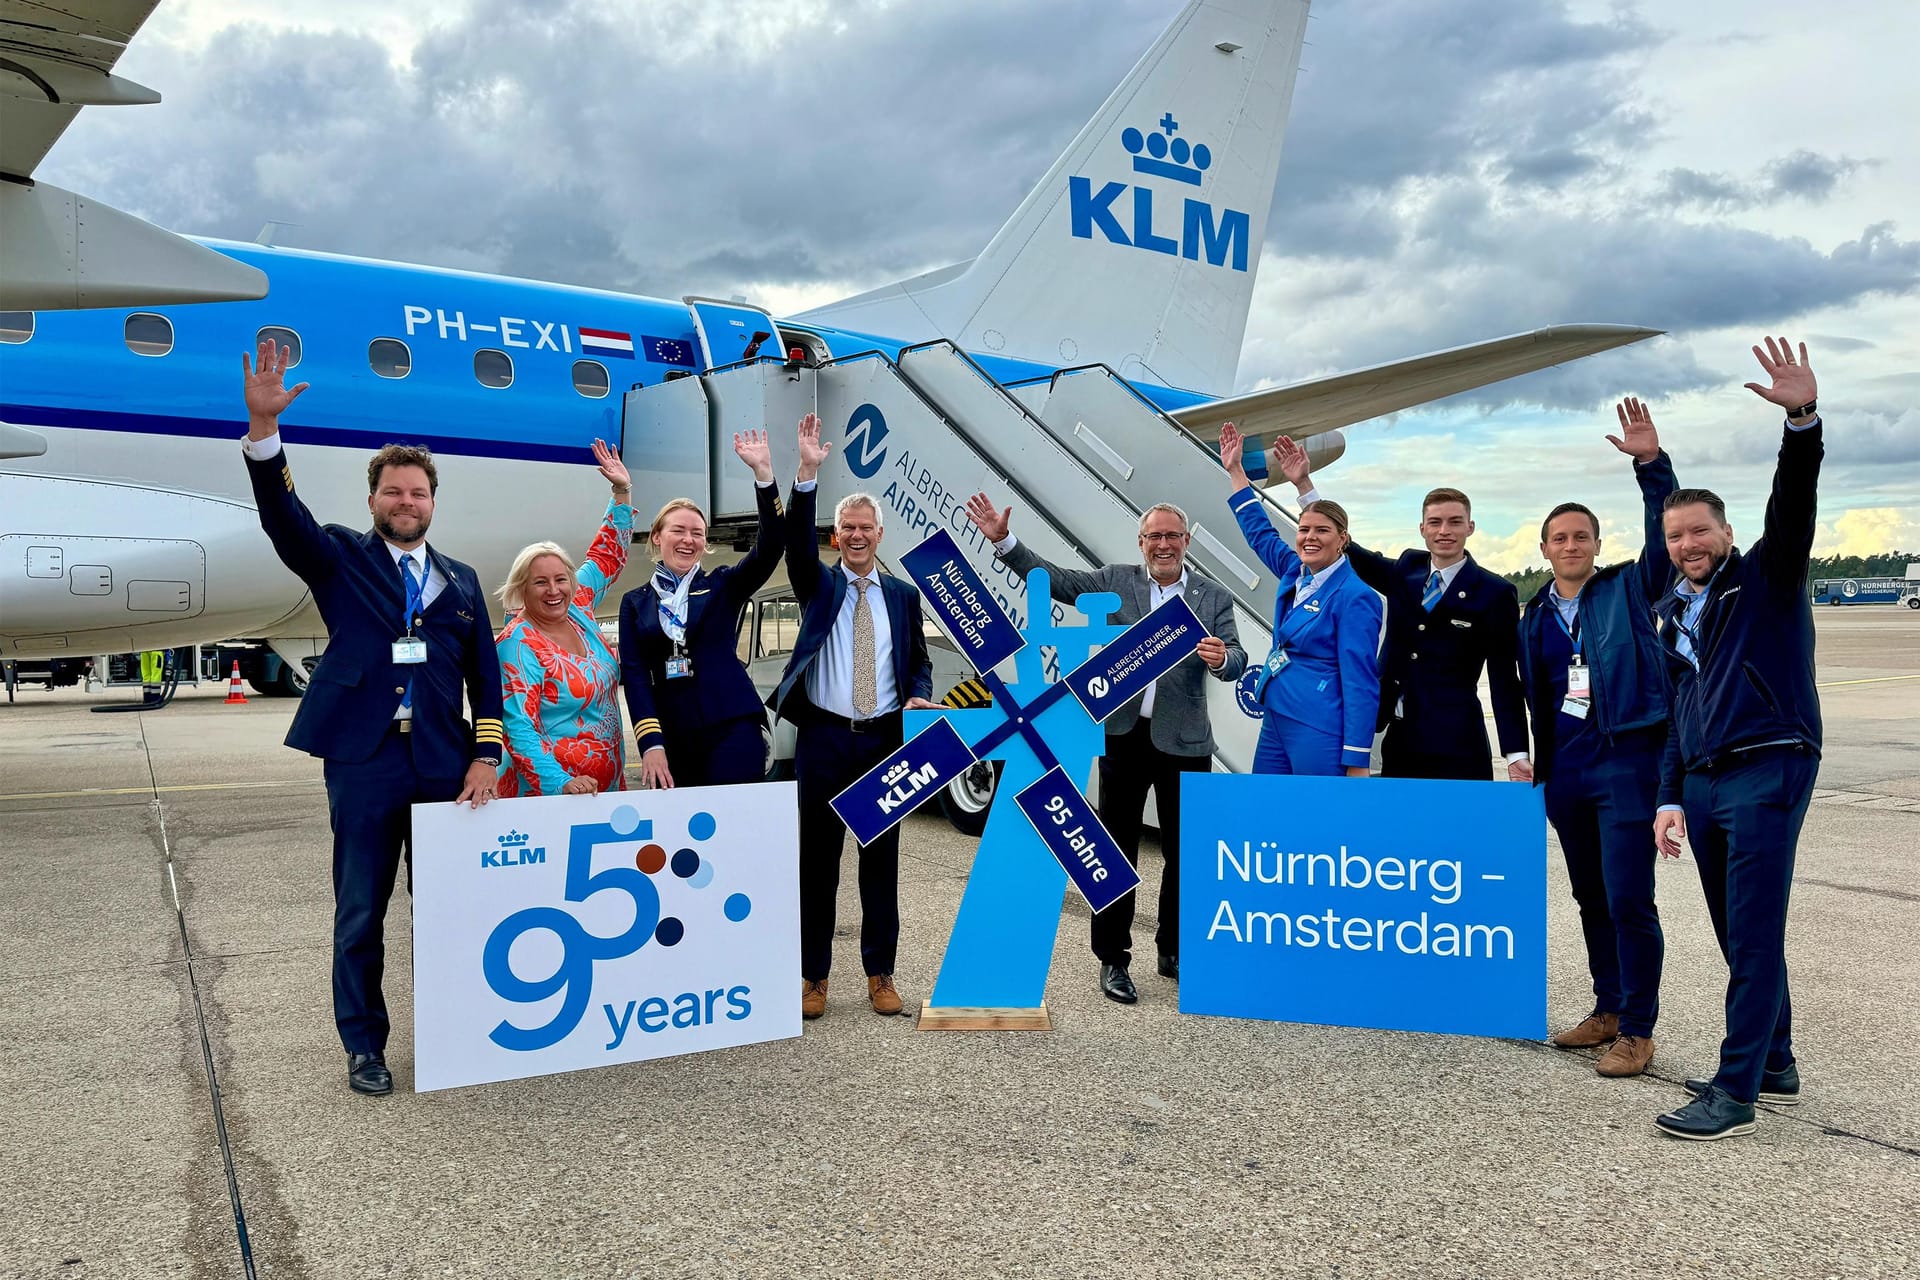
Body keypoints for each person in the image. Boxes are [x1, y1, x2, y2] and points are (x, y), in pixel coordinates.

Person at [237, 338, 503, 1098]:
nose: (406, 502)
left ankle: (458, 1033)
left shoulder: (461, 582)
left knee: (450, 911)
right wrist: (264, 436)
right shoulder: (342, 559)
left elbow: (487, 681)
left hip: (446, 769)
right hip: (363, 762)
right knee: (361, 914)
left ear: (432, 501)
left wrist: (486, 757)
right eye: (394, 491)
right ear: (373, 500)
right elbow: (283, 518)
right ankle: (366, 1047)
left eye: (418, 493)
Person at [963, 491, 1247, 1004]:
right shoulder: (1116, 581)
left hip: (1185, 742)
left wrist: (1222, 657)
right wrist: (1005, 541)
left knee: (1186, 853)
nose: (1163, 544)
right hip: (1122, 736)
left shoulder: (1211, 595)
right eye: (1154, 536)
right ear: (1141, 542)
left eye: (1172, 536)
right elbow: (1058, 581)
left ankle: (1173, 949)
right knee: (1114, 851)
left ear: (1187, 542)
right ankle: (1113, 959)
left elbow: (1238, 657)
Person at [1651, 337, 1825, 1141]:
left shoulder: (1765, 579)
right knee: (1732, 928)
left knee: (1754, 931)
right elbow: (1679, 712)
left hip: (1769, 764)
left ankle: (1736, 1091)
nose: (1688, 544)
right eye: (1675, 535)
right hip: (1706, 778)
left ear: (1725, 534)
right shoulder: (1673, 611)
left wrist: (1800, 422)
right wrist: (1668, 795)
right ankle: (1777, 1059)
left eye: (1700, 532)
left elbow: (1791, 507)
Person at [1515, 399, 1678, 1079]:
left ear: (1597, 546)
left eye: (1583, 536)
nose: (1572, 546)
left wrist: (1650, 464)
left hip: (1626, 765)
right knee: (1589, 897)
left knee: (1629, 898)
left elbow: (1662, 535)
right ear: (1545, 548)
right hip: (1568, 774)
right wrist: (1536, 770)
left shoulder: (1630, 592)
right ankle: (1608, 1007)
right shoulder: (1532, 616)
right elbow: (1537, 697)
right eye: (1561, 538)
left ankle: (1639, 1028)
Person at [771, 413, 936, 1020]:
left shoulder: (901, 595)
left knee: (880, 864)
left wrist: (918, 693)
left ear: (880, 534)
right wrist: (807, 473)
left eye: (866, 526)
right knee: (817, 864)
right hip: (824, 740)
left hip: (884, 743)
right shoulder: (819, 585)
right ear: (836, 537)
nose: (858, 535)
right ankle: (814, 977)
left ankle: (879, 973)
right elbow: (792, 547)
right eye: (847, 528)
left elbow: (916, 662)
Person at [1268, 440, 1528, 781]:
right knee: (1397, 833)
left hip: (1458, 747)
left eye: (1454, 522)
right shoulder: (1408, 569)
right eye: (1434, 522)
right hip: (1400, 739)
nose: (1444, 531)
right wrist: (1304, 486)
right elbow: (1351, 550)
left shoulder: (1494, 593)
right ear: (1422, 529)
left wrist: (1516, 753)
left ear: (1470, 527)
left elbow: (1504, 679)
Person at [617, 430, 785, 788]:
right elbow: (635, 678)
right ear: (657, 537)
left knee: (735, 828)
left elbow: (771, 547)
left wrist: (764, 477)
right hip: (673, 734)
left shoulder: (722, 584)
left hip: (732, 726)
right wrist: (650, 743)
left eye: (697, 533)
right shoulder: (636, 603)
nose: (689, 540)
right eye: (678, 530)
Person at [1219, 423, 1383, 777]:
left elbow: (1361, 680)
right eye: (1304, 530)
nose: (1309, 537)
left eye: (1321, 531)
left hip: (1318, 723)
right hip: (1277, 713)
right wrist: (1235, 471)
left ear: (1343, 540)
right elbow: (1259, 533)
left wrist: (1356, 757)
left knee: (1318, 819)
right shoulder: (1295, 572)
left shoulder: (1356, 596)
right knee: (1270, 808)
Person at [493, 440, 635, 797]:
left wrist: (621, 491)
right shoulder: (517, 643)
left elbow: (607, 557)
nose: (553, 590)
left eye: (560, 580)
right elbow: (518, 727)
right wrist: (561, 783)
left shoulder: (577, 605)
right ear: (521, 589)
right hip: (550, 796)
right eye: (540, 582)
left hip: (603, 789)